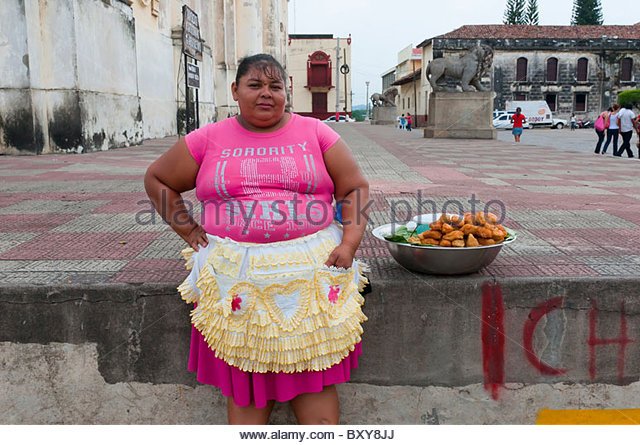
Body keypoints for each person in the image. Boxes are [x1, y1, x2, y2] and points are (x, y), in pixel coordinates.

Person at [144, 54, 370, 425]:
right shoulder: (207, 139)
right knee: (246, 387)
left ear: (287, 92)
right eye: (255, 85)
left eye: (275, 86)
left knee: (316, 386)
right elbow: (157, 179)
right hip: (237, 279)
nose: (266, 94)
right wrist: (187, 229)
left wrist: (349, 244)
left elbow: (355, 187)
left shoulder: (317, 133)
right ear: (235, 91)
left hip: (311, 281)